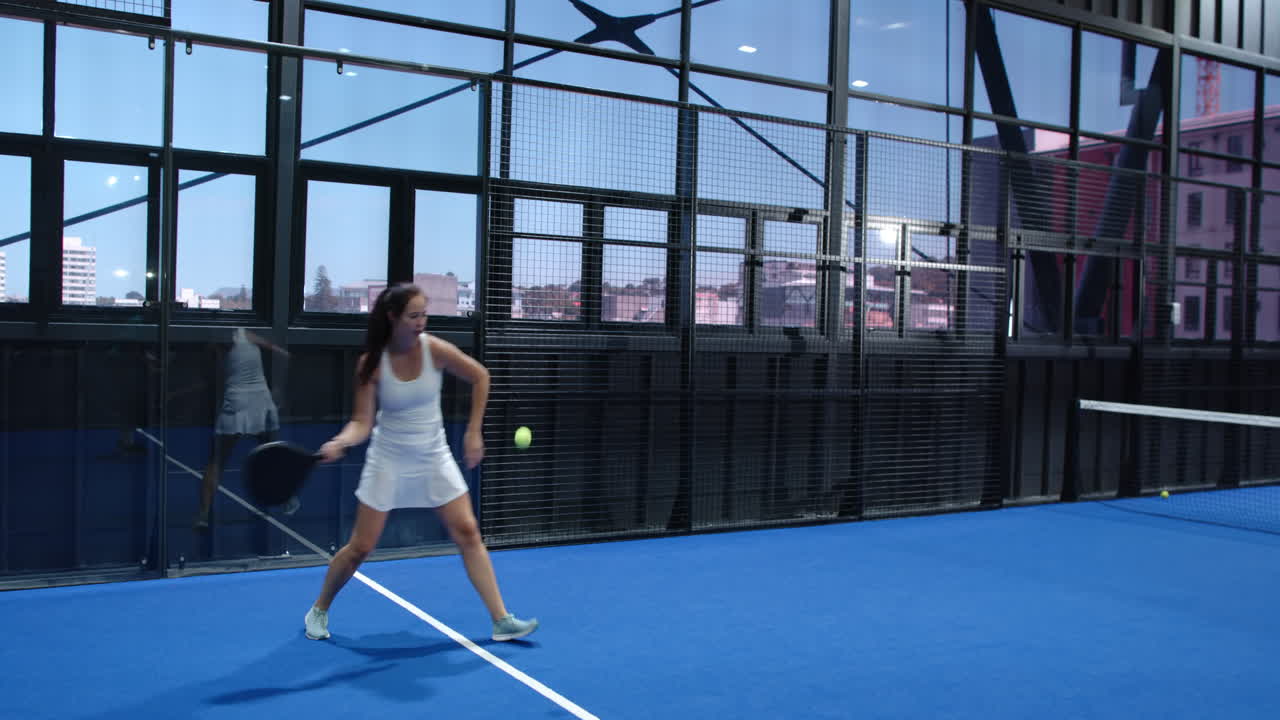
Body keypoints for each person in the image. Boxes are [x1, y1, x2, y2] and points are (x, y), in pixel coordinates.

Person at [303, 283, 538, 643]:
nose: (421, 322)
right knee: (361, 548)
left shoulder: (435, 350)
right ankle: (319, 608)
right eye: (414, 315)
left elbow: (480, 376)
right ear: (393, 317)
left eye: (424, 314)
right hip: (389, 460)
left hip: (434, 455)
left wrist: (474, 433)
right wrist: (340, 441)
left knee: (468, 532)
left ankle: (501, 620)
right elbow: (362, 422)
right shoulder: (372, 363)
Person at [195, 327, 296, 530]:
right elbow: (282, 354)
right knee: (272, 454)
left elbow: (211, 375)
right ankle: (288, 498)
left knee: (217, 459)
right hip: (260, 400)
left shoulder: (218, 346)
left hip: (239, 402)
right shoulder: (244, 334)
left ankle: (203, 515)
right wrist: (279, 388)